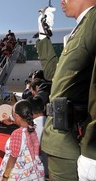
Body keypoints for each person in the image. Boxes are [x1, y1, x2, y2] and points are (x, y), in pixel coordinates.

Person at [36, 1, 96, 180]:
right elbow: (54, 75)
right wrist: (43, 36)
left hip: (74, 140)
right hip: (61, 139)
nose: (62, 0)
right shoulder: (81, 28)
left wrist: (92, 149)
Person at [0, 100, 44, 181]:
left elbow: (12, 159)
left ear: (17, 116)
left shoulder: (17, 133)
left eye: (13, 115)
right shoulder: (32, 128)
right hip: (30, 171)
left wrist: (5, 176)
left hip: (17, 173)